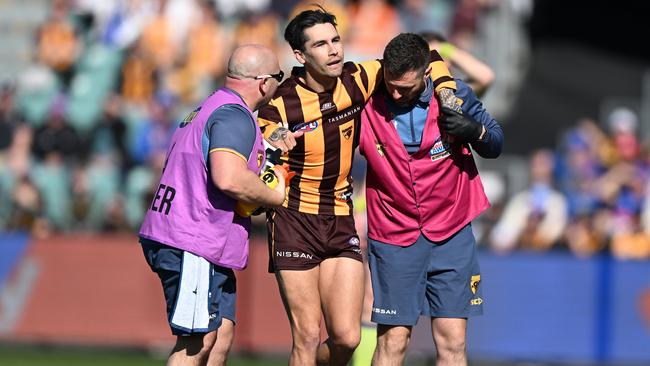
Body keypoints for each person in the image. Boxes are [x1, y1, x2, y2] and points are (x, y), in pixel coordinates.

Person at [257, 7, 459, 366]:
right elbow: (258, 142)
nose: (334, 50)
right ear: (300, 56)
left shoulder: (359, 77)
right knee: (305, 336)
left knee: (348, 339)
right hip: (294, 219)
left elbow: (426, 53)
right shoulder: (280, 104)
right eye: (321, 44)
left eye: (336, 40)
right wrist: (272, 141)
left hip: (339, 217)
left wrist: (445, 90)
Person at [358, 33, 504, 365]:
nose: (395, 93)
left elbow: (495, 141)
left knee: (453, 342)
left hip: (451, 232)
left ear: (427, 73)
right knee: (393, 340)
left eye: (404, 88)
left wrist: (473, 130)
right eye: (390, 84)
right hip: (394, 233)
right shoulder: (366, 102)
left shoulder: (454, 96)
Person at [138, 44, 286, 366]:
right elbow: (229, 179)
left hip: (196, 238)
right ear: (264, 82)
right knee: (196, 341)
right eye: (279, 76)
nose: (280, 84)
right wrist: (273, 195)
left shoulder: (210, 106)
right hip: (192, 239)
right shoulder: (235, 116)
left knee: (222, 334)